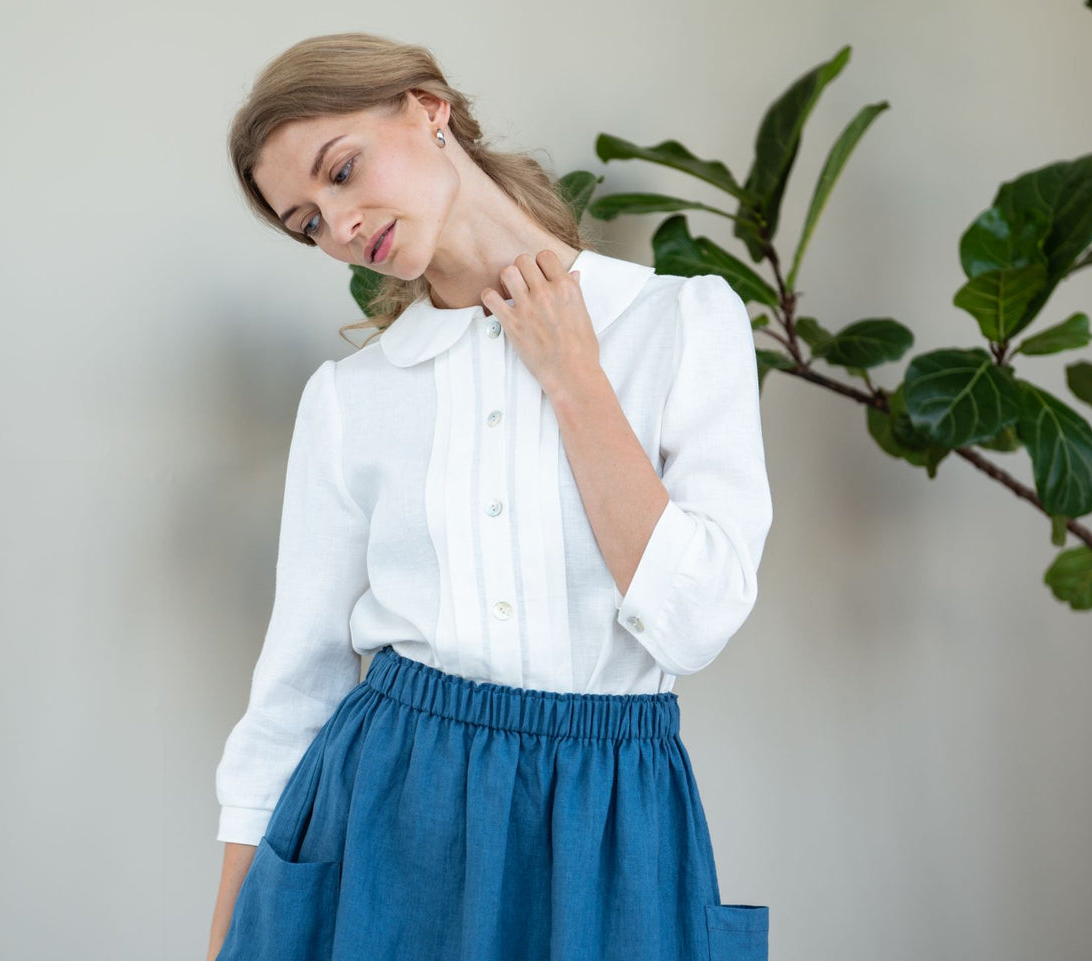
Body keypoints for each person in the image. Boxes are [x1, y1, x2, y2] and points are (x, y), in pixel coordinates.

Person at [207, 31, 773, 961]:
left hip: (609, 820)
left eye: (341, 171)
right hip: (392, 807)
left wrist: (574, 377)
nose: (339, 224)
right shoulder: (354, 399)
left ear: (427, 109)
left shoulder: (681, 323)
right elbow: (290, 694)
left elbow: (696, 621)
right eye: (307, 221)